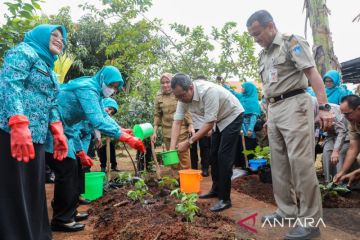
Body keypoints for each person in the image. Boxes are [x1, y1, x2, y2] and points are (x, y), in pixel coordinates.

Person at [247, 10, 333, 239]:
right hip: (274, 110)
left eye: (257, 33)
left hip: (295, 104)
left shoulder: (291, 42)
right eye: (253, 36)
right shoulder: (263, 55)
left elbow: (312, 73)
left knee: (301, 164)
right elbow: (269, 87)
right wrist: (268, 116)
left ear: (270, 26)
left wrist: (324, 107)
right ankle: (286, 210)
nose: (256, 39)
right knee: (279, 164)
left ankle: (310, 222)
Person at [46, 66, 145, 232]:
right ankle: (61, 219)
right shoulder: (88, 88)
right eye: (111, 85)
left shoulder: (96, 92)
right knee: (67, 170)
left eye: (115, 87)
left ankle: (69, 213)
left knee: (74, 168)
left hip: (66, 131)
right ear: (102, 78)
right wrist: (126, 138)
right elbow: (97, 120)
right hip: (53, 129)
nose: (112, 90)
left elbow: (104, 116)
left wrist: (121, 130)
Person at [0, 24, 68, 240]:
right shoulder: (23, 52)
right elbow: (10, 85)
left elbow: (52, 103)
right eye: (54, 35)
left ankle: (36, 234)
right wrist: (18, 123)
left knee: (33, 189)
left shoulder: (49, 68)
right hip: (13, 134)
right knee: (14, 190)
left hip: (36, 137)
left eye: (62, 38)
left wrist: (58, 132)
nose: (60, 40)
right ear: (40, 36)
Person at [170, 73, 244, 212]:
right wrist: (172, 147)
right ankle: (216, 189)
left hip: (232, 115)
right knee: (213, 155)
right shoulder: (182, 98)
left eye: (182, 96)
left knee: (223, 157)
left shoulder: (208, 92)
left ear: (190, 88)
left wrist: (189, 141)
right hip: (219, 120)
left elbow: (209, 124)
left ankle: (225, 199)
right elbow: (177, 121)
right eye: (177, 96)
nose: (180, 99)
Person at [152, 73, 193, 170]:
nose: (165, 85)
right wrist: (154, 131)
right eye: (162, 83)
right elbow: (157, 115)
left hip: (181, 129)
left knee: (183, 155)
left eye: (167, 82)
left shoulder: (178, 93)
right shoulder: (159, 97)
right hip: (166, 132)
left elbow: (186, 110)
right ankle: (176, 179)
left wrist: (190, 124)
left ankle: (186, 179)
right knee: (172, 156)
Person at [224, 81, 261, 167]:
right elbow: (233, 93)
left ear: (248, 89)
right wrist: (226, 85)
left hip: (248, 130)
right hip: (240, 127)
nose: (241, 89)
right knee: (240, 147)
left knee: (249, 148)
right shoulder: (242, 97)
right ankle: (242, 166)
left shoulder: (253, 101)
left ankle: (252, 168)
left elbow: (253, 117)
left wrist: (250, 129)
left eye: (243, 87)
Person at [333, 95, 360, 185]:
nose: (345, 117)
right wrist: (343, 172)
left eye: (348, 114)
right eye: (343, 114)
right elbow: (353, 148)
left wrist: (355, 173)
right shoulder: (353, 122)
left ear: (358, 109)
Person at [320, 103, 349, 183]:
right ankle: (328, 183)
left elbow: (342, 131)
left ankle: (340, 183)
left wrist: (335, 151)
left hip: (346, 135)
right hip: (330, 136)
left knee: (338, 155)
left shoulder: (331, 114)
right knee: (327, 152)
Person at [97, 98, 121, 172]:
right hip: (100, 137)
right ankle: (103, 167)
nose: (110, 112)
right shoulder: (98, 114)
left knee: (112, 151)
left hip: (109, 138)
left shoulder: (109, 118)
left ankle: (114, 165)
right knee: (101, 152)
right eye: (109, 109)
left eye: (112, 112)